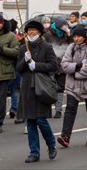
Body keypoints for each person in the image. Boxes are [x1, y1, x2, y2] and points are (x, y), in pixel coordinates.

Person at [57, 26, 87, 148]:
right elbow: (64, 65)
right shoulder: (71, 47)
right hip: (73, 86)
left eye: (79, 36)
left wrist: (75, 72)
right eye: (74, 36)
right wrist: (78, 66)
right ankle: (65, 136)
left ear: (84, 37)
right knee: (70, 109)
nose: (76, 39)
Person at [17, 20, 58, 163]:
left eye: (34, 30)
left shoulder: (47, 47)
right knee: (30, 121)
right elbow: (18, 69)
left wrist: (37, 65)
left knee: (41, 119)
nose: (31, 32)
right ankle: (34, 152)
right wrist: (25, 60)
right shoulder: (23, 48)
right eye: (29, 30)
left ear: (40, 32)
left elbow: (53, 65)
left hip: (42, 88)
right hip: (28, 87)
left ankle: (51, 144)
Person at [42, 16, 71, 119]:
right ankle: (48, 109)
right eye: (63, 26)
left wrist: (69, 35)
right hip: (51, 64)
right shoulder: (48, 34)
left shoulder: (66, 35)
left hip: (62, 65)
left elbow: (71, 46)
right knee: (49, 88)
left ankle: (58, 110)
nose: (65, 28)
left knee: (60, 88)